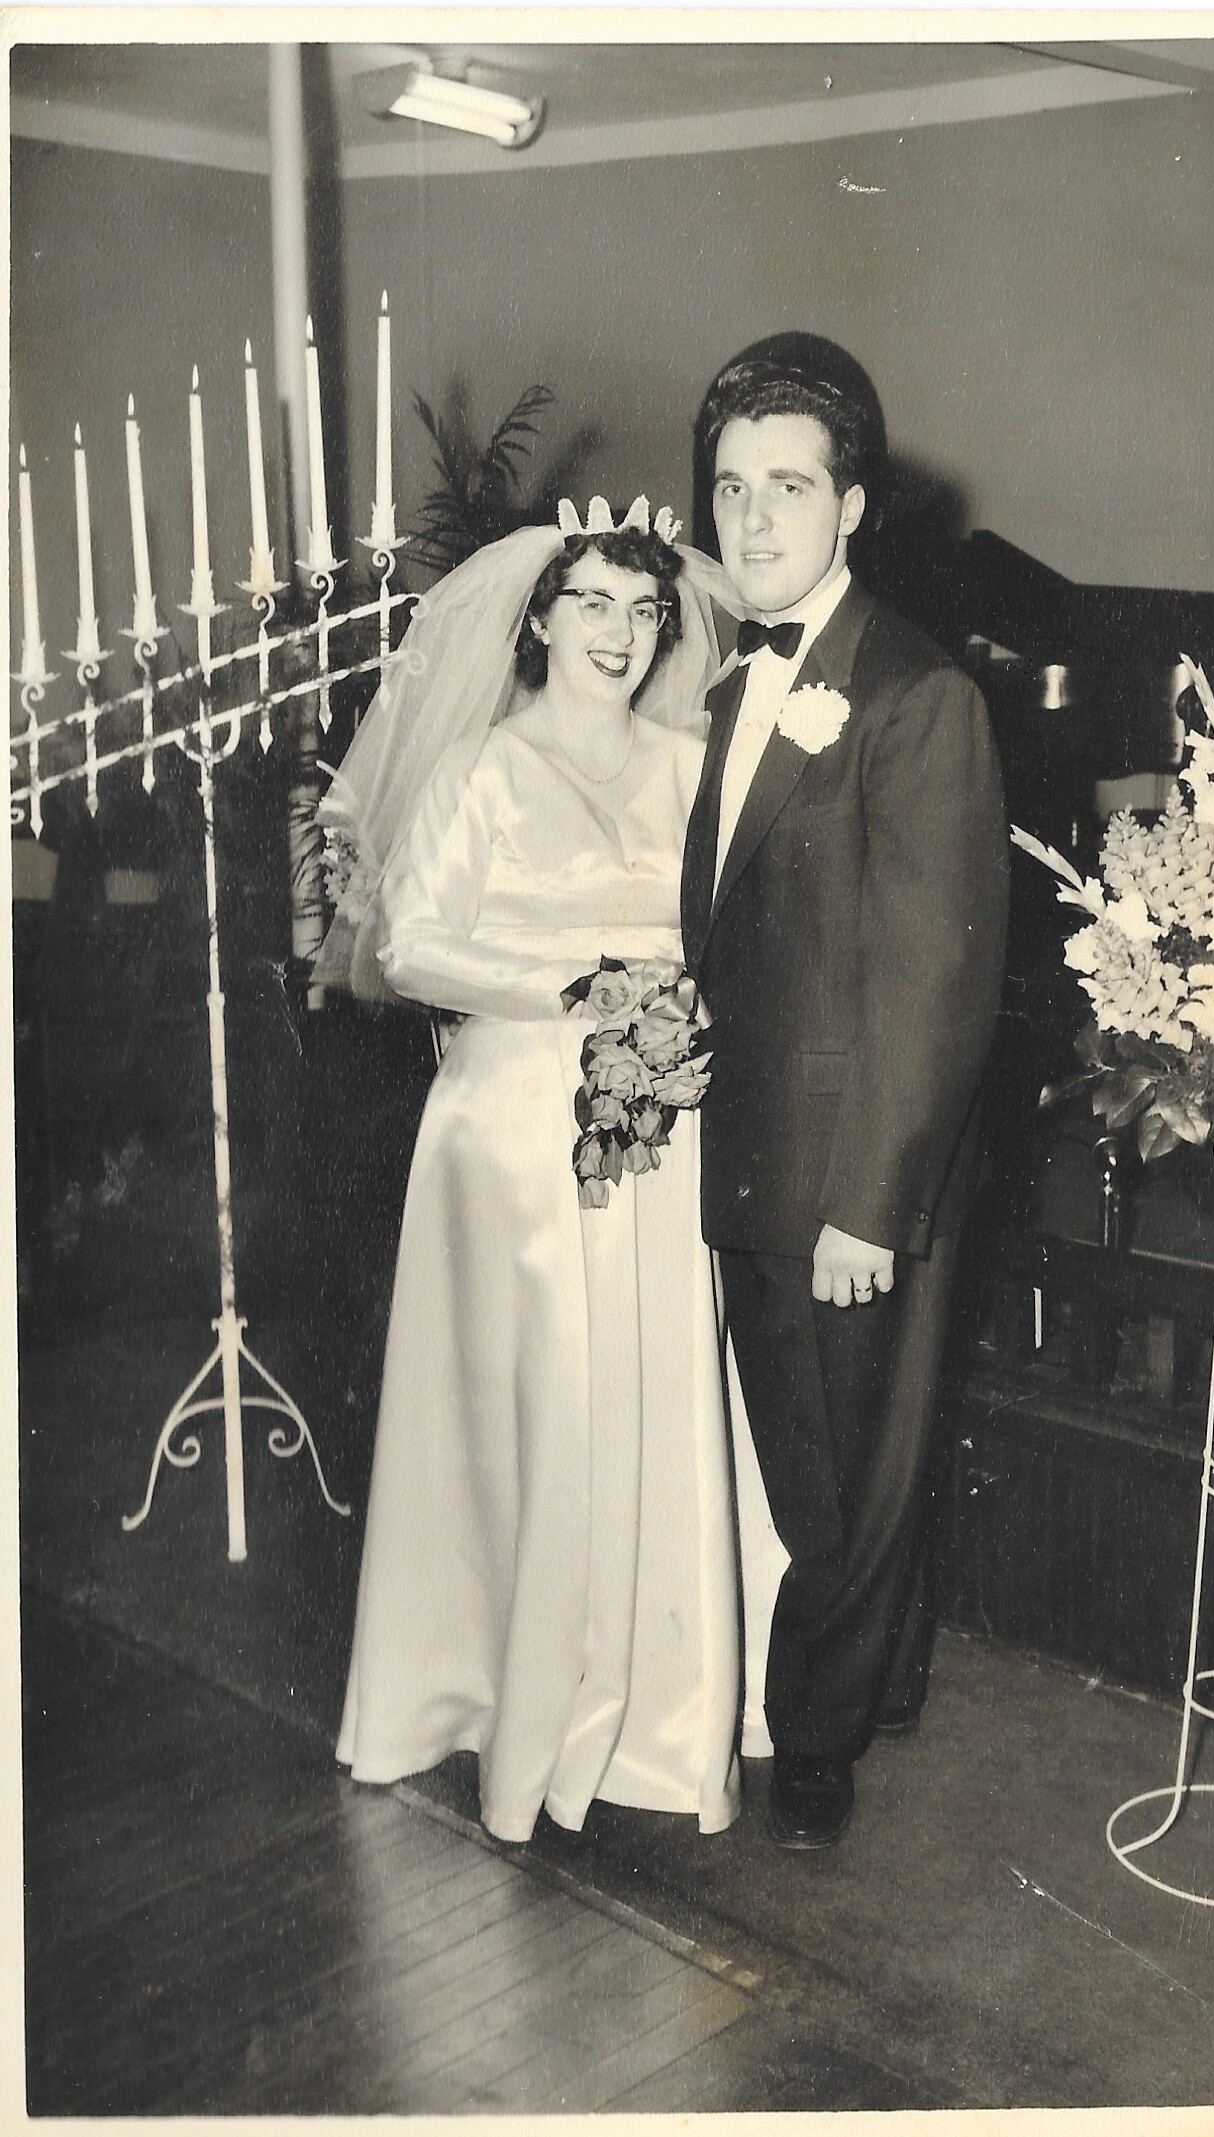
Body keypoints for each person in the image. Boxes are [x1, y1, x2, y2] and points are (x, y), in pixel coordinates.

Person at [321, 497, 758, 1844]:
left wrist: (685, 1006)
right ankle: (508, 1698)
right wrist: (572, 986)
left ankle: (662, 1714)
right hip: (517, 1129)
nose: (621, 633)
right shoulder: (484, 771)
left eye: (645, 610)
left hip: (663, 1118)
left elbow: (738, 926)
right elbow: (410, 948)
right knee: (543, 1409)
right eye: (594, 604)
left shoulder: (692, 765)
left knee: (659, 1394)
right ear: (541, 619)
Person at [682, 334, 1011, 1850]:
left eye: (789, 488)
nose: (753, 520)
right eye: (731, 488)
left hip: (852, 1172)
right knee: (822, 1454)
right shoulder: (724, 673)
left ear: (853, 506)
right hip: (755, 1146)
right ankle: (885, 1678)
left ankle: (816, 1737)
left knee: (842, 1481)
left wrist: (870, 1206)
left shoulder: (915, 693)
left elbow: (935, 983)